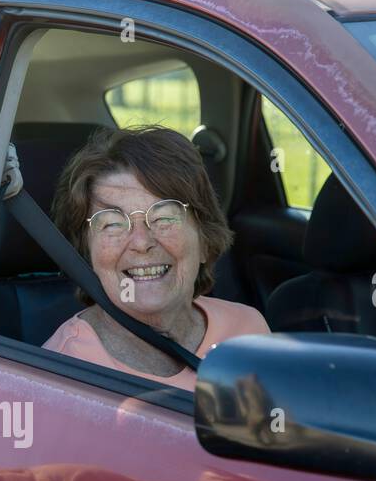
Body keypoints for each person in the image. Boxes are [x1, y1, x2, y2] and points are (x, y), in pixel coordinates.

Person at [43, 125, 269, 391]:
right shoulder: (63, 371)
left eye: (165, 217)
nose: (141, 242)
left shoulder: (249, 328)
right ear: (85, 253)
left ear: (205, 240)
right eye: (113, 223)